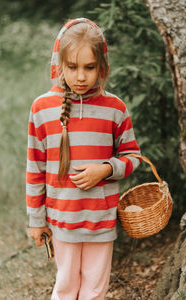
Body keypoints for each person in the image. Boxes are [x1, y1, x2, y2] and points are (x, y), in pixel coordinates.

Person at [26, 17, 141, 300]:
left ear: (102, 67)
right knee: (65, 286)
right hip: (61, 218)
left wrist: (105, 169)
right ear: (59, 65)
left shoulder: (115, 108)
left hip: (100, 218)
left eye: (89, 68)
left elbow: (133, 156)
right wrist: (36, 219)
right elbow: (35, 168)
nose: (80, 76)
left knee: (94, 289)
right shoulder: (42, 109)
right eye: (72, 67)